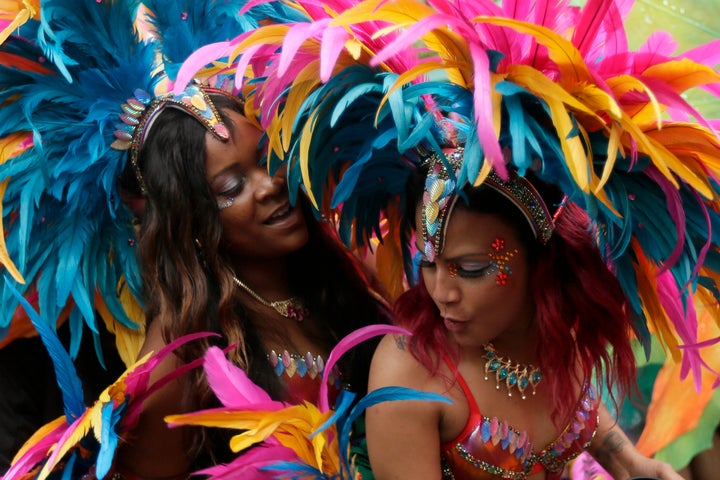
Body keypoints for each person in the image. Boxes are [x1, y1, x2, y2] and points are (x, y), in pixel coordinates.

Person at [111, 86, 388, 478]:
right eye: (232, 187)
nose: (269, 184)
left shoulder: (343, 270)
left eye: (267, 159)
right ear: (192, 225)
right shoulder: (177, 360)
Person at [365, 156, 684, 479]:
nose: (441, 293)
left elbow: (574, 399)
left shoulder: (552, 324)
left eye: (472, 269)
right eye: (428, 264)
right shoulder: (409, 371)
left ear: (540, 260)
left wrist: (629, 463)